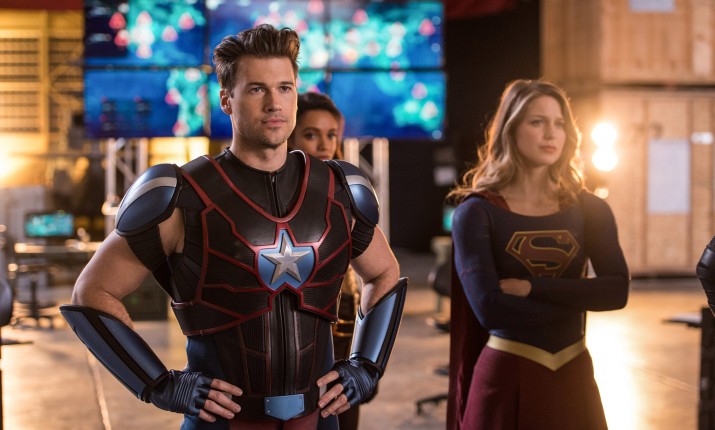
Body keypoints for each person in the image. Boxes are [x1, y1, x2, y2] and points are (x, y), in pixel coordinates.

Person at [60, 24, 407, 430]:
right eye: (257, 89)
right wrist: (161, 385)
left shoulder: (339, 191)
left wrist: (366, 366)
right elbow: (92, 293)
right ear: (227, 99)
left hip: (317, 419)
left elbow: (384, 272)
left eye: (285, 88)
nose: (274, 103)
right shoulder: (182, 195)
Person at [446, 79, 630, 430]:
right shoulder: (476, 212)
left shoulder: (590, 209)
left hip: (574, 375)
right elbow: (490, 309)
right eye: (537, 122)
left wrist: (532, 288)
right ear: (511, 129)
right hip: (505, 377)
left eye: (559, 123)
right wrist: (580, 297)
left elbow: (616, 292)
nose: (551, 134)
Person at [288, 91, 361, 430]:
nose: (324, 145)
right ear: (291, 136)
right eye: (311, 134)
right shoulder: (268, 196)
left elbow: (379, 273)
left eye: (331, 135)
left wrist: (366, 363)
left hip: (343, 320)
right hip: (290, 337)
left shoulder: (348, 192)